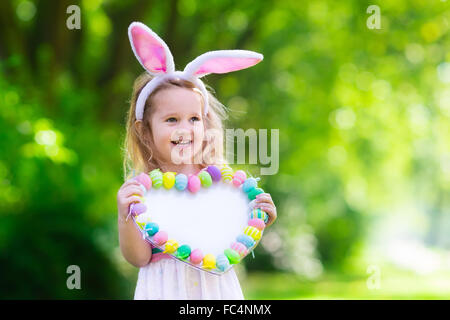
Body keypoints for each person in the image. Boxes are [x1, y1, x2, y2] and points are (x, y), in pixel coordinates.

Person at [117, 22, 277, 299]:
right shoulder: (143, 191)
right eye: (171, 120)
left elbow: (228, 244)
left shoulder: (222, 184)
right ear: (144, 131)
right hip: (163, 290)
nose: (185, 128)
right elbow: (138, 258)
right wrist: (125, 216)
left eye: (194, 119)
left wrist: (257, 222)